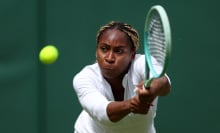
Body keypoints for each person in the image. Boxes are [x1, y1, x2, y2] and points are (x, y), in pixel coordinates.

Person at [72, 21, 171, 133]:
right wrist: (134, 103)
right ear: (96, 51)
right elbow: (103, 114)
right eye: (104, 49)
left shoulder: (142, 63)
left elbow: (163, 83)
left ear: (132, 55)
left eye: (118, 51)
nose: (109, 58)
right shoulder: (85, 77)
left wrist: (149, 91)